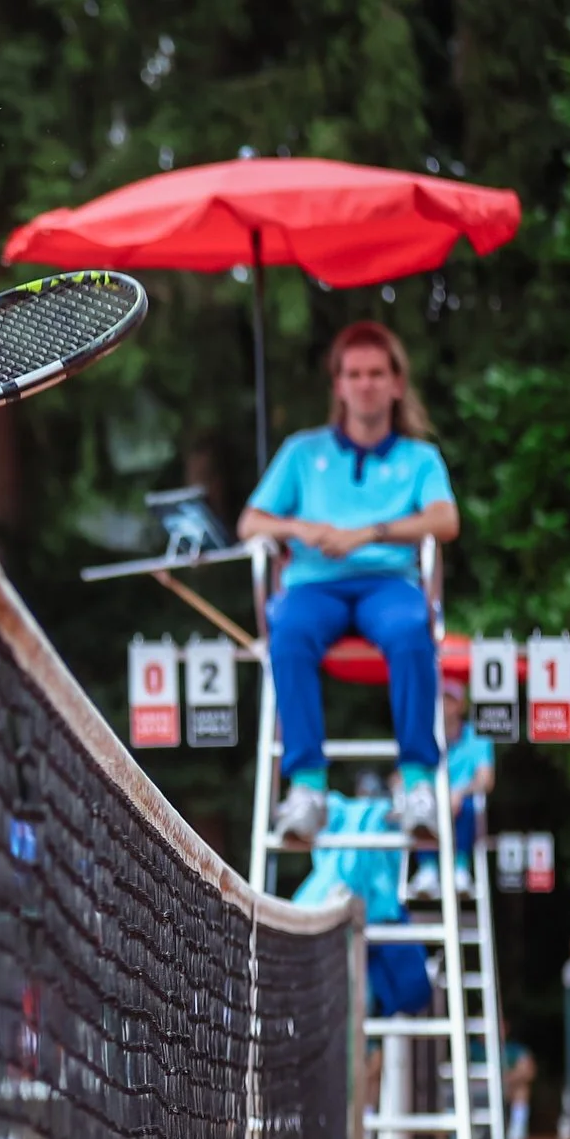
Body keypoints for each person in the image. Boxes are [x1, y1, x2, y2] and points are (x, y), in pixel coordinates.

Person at [239, 321, 461, 851]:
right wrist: (300, 528)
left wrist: (370, 533)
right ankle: (308, 789)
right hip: (315, 586)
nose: (365, 384)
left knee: (413, 630)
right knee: (286, 628)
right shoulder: (301, 452)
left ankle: (417, 786)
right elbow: (251, 523)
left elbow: (446, 521)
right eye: (354, 374)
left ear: (396, 384)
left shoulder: (419, 458)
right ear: (338, 385)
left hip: (390, 584)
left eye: (376, 373)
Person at [404, 673, 495, 901]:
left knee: (465, 804)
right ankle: (428, 870)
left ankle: (460, 870)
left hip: (461, 804)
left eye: (450, 699)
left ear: (461, 705)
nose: (444, 705)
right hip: (431, 803)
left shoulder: (477, 736)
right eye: (441, 699)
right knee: (420, 804)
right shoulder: (422, 736)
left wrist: (459, 792)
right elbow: (404, 775)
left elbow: (486, 779)